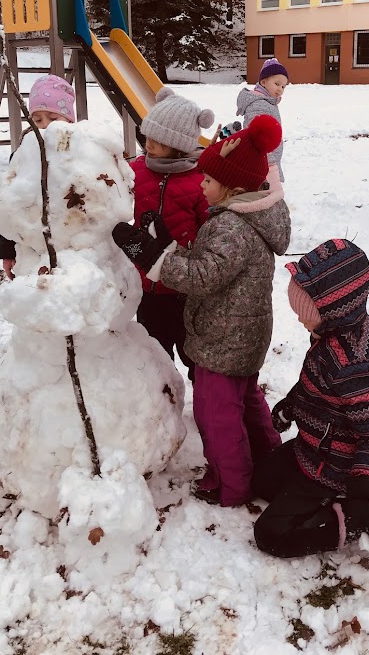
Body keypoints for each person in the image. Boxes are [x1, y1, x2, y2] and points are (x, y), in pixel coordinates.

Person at [112, 115, 292, 507]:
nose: (202, 184)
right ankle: (269, 456)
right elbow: (214, 265)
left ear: (233, 188)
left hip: (222, 340)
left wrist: (154, 257)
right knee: (246, 401)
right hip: (242, 335)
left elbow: (202, 275)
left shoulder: (231, 228)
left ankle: (232, 484)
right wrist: (170, 245)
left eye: (209, 180)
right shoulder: (249, 219)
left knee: (216, 417)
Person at [251, 239, 369, 559]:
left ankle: (365, 516)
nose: (298, 319)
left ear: (333, 310)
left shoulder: (356, 366)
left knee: (271, 534)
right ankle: (324, 500)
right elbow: (317, 387)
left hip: (335, 469)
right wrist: (292, 405)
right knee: (260, 481)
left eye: (304, 313)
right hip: (310, 451)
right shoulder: (329, 335)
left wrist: (362, 494)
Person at [131, 87, 214, 381]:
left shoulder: (199, 180)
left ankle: (206, 399)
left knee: (193, 353)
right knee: (154, 354)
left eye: (158, 140)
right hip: (146, 285)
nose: (148, 143)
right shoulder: (137, 170)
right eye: (148, 136)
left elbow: (209, 227)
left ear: (178, 145)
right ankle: (161, 403)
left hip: (183, 289)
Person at [0, 74, 76, 280]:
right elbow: (10, 206)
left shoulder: (80, 153)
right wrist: (7, 251)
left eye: (53, 118)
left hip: (73, 246)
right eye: (37, 119)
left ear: (68, 120)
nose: (45, 125)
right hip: (32, 246)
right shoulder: (22, 154)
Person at [236, 57, 287, 182]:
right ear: (263, 82)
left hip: (269, 159)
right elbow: (256, 137)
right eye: (277, 84)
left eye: (283, 86)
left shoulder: (268, 102)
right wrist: (268, 161)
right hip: (263, 161)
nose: (280, 89)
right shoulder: (258, 104)